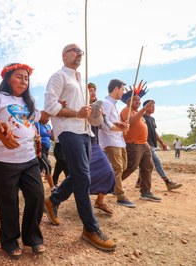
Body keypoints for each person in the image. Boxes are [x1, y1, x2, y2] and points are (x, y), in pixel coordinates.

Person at [43, 43, 116, 251]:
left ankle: (53, 200)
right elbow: (50, 107)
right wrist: (76, 113)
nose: (79, 54)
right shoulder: (58, 77)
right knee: (83, 178)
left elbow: (91, 119)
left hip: (86, 133)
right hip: (68, 131)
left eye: (81, 52)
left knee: (80, 175)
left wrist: (95, 113)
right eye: (75, 50)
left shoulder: (81, 82)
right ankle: (90, 229)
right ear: (64, 55)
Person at [0, 63, 47, 258]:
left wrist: (61, 106)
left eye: (26, 78)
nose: (24, 81)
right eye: (19, 76)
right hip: (4, 161)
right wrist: (1, 134)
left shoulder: (29, 102)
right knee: (9, 203)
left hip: (29, 158)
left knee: (37, 195)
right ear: (8, 79)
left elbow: (44, 118)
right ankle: (9, 241)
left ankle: (32, 237)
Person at [120, 82, 161, 202]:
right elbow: (131, 122)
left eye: (139, 100)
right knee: (131, 167)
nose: (138, 101)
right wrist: (144, 108)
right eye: (135, 100)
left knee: (148, 166)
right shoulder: (126, 110)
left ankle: (146, 192)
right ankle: (112, 184)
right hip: (133, 144)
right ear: (129, 102)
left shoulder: (138, 112)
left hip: (144, 144)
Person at [98, 79, 133, 208]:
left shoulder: (113, 104)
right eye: (122, 89)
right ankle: (120, 196)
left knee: (122, 167)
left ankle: (107, 190)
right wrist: (122, 128)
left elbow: (112, 123)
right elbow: (105, 126)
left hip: (119, 141)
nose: (123, 93)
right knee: (118, 169)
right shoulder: (106, 103)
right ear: (116, 89)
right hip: (110, 141)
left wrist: (121, 127)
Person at [135, 100, 182, 191]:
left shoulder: (152, 119)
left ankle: (139, 182)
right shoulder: (142, 117)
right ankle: (167, 182)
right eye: (152, 106)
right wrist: (146, 143)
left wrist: (161, 143)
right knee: (157, 162)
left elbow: (154, 132)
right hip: (146, 144)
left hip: (151, 144)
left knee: (144, 164)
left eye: (154, 106)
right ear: (146, 107)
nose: (154, 107)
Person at [87, 83, 117, 215]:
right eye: (90, 91)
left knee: (109, 171)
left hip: (94, 144)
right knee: (78, 176)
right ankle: (55, 200)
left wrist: (119, 126)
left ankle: (100, 200)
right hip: (81, 143)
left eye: (94, 91)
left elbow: (107, 125)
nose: (93, 93)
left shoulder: (99, 109)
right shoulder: (80, 107)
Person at [34, 120, 56, 192]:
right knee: (48, 166)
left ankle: (36, 188)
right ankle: (53, 188)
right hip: (40, 148)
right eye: (46, 117)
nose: (48, 119)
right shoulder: (36, 124)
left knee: (40, 169)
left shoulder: (48, 126)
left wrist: (55, 130)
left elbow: (51, 138)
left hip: (46, 149)